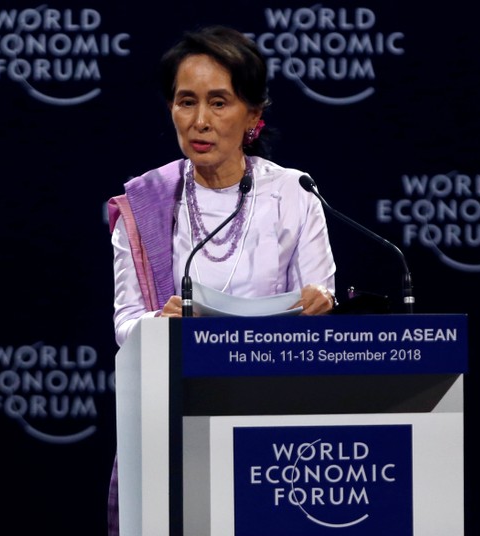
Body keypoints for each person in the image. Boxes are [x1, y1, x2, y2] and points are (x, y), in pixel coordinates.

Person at [105, 25, 336, 535]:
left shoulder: (294, 193)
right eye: (186, 102)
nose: (200, 121)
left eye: (219, 102)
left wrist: (320, 305)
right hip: (175, 422)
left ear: (253, 115)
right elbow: (126, 325)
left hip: (274, 424)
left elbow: (319, 299)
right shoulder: (143, 204)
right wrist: (157, 323)